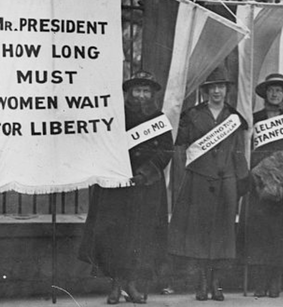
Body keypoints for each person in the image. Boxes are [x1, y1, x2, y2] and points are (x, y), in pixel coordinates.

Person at [78, 71, 173, 305]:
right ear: (129, 93)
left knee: (140, 236)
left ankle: (131, 283)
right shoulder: (115, 117)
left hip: (146, 186)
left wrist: (145, 173)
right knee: (114, 237)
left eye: (145, 91)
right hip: (117, 186)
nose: (141, 96)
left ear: (152, 94)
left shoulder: (159, 120)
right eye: (137, 91)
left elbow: (165, 150)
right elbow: (102, 146)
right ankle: (115, 285)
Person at [167, 67, 250, 302]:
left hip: (226, 180)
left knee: (223, 234)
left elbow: (238, 151)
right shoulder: (193, 115)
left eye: (221, 86)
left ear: (226, 90)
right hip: (200, 178)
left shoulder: (234, 117)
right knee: (201, 233)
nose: (216, 91)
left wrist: (242, 180)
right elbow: (179, 139)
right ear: (205, 91)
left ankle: (217, 283)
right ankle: (202, 282)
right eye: (212, 87)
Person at [242, 73, 283, 298]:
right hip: (259, 184)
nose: (274, 93)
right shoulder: (254, 119)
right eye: (271, 89)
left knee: (281, 234)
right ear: (265, 94)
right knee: (259, 233)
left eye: (279, 90)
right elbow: (245, 149)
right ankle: (259, 282)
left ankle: (275, 280)